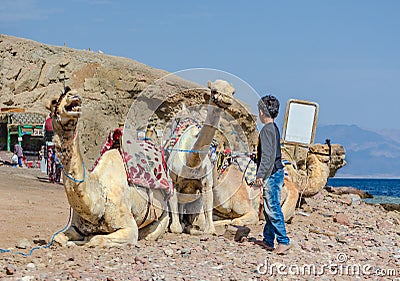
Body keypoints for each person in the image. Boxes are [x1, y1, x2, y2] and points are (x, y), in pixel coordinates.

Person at [254, 95, 291, 255]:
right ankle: (268, 239)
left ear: (262, 112)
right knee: (270, 207)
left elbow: (268, 156)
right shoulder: (274, 128)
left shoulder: (266, 130)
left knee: (273, 207)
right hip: (276, 171)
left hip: (272, 173)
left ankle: (283, 240)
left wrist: (260, 175)